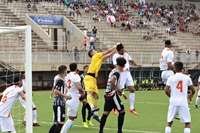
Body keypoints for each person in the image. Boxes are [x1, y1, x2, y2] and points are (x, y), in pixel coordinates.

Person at [83, 46, 116, 121]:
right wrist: (115, 47)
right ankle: (92, 107)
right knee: (89, 92)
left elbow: (107, 56)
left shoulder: (97, 59)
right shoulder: (96, 56)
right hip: (89, 77)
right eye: (94, 50)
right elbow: (107, 51)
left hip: (93, 78)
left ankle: (95, 115)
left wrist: (114, 51)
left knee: (96, 96)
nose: (96, 50)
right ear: (92, 53)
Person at [165, 61, 195, 133]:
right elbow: (193, 90)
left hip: (173, 102)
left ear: (175, 68)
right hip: (183, 102)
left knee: (169, 122)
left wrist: (171, 97)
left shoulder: (171, 77)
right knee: (187, 123)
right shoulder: (186, 77)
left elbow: (166, 90)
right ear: (182, 68)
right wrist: (191, 94)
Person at [99, 57, 127, 133]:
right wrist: (114, 90)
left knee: (105, 113)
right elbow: (112, 80)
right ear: (124, 65)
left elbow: (116, 84)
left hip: (107, 94)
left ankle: (100, 131)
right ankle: (119, 131)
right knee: (122, 111)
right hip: (112, 95)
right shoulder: (117, 72)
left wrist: (122, 93)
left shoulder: (113, 71)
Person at [112, 43, 141, 115]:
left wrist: (136, 65)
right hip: (122, 73)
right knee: (119, 91)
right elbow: (115, 64)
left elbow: (131, 60)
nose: (123, 51)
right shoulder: (115, 56)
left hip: (128, 73)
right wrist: (119, 70)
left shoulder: (126, 54)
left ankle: (132, 108)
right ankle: (114, 107)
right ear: (118, 51)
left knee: (132, 89)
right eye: (121, 50)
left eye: (123, 49)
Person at [60, 63, 85, 133]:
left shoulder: (67, 75)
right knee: (71, 118)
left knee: (73, 117)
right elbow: (79, 87)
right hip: (73, 98)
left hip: (68, 96)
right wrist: (82, 92)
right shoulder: (76, 76)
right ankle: (63, 132)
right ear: (76, 68)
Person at [48, 65, 72, 133]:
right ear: (64, 71)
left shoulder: (61, 79)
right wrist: (65, 96)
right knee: (60, 123)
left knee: (56, 123)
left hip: (58, 103)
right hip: (59, 103)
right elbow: (56, 90)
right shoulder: (60, 80)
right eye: (66, 70)